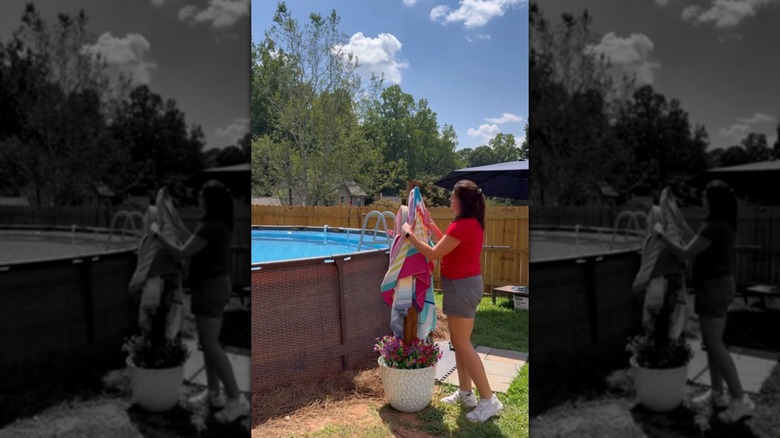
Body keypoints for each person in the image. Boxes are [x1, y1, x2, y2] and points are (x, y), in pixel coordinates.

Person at [401, 180, 503, 423]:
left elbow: (435, 252)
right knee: (459, 343)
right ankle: (466, 393)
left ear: (461, 201)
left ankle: (489, 400)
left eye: (452, 197)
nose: (449, 201)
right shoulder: (469, 224)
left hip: (462, 287)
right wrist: (431, 225)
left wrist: (409, 235)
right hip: (462, 285)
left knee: (463, 344)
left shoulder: (463, 225)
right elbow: (448, 245)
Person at [654, 180, 753, 423]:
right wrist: (678, 223)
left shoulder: (714, 227)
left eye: (704, 197)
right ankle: (718, 394)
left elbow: (686, 252)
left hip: (714, 287)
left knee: (716, 344)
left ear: (713, 201)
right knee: (711, 342)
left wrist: (661, 235)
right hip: (717, 285)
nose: (701, 201)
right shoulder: (719, 225)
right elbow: (693, 241)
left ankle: (741, 400)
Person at [152, 181, 250, 423]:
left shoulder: (212, 227)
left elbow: (182, 252)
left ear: (210, 202)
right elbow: (189, 242)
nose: (198, 201)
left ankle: (237, 400)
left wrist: (157, 235)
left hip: (210, 288)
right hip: (211, 286)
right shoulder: (215, 226)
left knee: (211, 344)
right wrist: (174, 222)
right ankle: (214, 393)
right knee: (208, 344)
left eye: (201, 198)